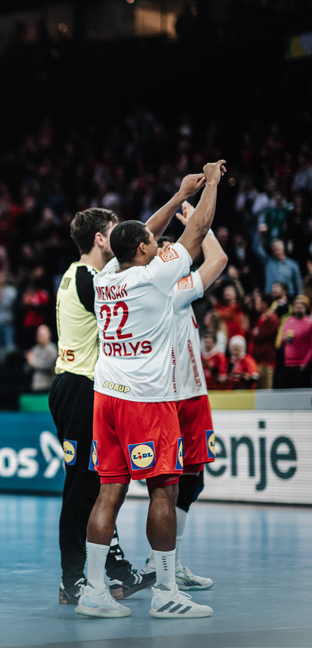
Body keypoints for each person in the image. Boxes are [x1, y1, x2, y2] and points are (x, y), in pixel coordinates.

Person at [77, 159, 224, 620]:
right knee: (164, 489)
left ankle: (94, 590)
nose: (158, 243)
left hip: (106, 396)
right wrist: (211, 185)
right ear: (145, 250)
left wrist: (178, 194)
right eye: (152, 243)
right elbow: (197, 232)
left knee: (109, 492)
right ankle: (165, 593)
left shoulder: (104, 279)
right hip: (146, 399)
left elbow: (138, 235)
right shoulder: (155, 277)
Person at [48, 206, 159, 607]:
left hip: (88, 388)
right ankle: (71, 580)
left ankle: (114, 571)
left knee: (101, 484)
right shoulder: (87, 278)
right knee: (80, 488)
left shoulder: (86, 275)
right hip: (78, 387)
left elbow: (138, 238)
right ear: (100, 239)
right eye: (114, 232)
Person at [145, 200, 228, 592]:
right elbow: (219, 258)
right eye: (162, 249)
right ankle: (160, 561)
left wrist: (194, 225)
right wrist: (199, 225)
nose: (170, 252)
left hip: (193, 393)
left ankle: (172, 561)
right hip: (173, 396)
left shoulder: (175, 286)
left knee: (193, 482)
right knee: (171, 483)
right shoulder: (168, 289)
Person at [253, 228, 302, 297]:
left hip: (288, 298)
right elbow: (257, 249)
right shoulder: (268, 261)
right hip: (270, 298)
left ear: (283, 248)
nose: (275, 247)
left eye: (277, 245)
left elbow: (298, 284)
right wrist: (259, 234)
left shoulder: (293, 264)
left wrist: (299, 298)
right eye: (273, 246)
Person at [277, 294, 312, 388]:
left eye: (301, 306)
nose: (298, 308)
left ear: (306, 308)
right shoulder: (288, 321)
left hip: (301, 364)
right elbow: (280, 343)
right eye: (297, 306)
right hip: (288, 363)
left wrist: (305, 363)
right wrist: (284, 339)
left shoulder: (309, 323)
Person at [248, 290, 280, 389]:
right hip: (256, 361)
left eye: (257, 302)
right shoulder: (260, 318)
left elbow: (258, 335)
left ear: (265, 303)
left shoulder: (272, 319)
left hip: (266, 363)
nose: (255, 305)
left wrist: (253, 332)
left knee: (266, 393)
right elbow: (254, 334)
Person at [26, 324, 58, 392]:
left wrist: (32, 362)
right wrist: (28, 362)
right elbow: (27, 368)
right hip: (35, 386)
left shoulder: (52, 349)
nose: (40, 336)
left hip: (47, 386)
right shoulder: (34, 349)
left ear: (48, 335)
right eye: (38, 334)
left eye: (42, 334)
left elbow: (47, 365)